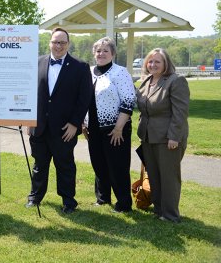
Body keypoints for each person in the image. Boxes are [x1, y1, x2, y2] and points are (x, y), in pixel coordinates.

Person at [26, 27, 92, 213]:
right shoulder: (36, 63)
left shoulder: (81, 67)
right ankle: (35, 197)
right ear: (50, 43)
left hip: (65, 128)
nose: (58, 46)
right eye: (55, 42)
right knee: (39, 164)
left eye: (62, 42)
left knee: (65, 166)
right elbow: (30, 93)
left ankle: (68, 201)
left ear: (68, 44)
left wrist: (75, 123)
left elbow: (84, 98)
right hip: (39, 126)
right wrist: (29, 120)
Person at [82, 37, 136, 213]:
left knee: (117, 166)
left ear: (112, 53)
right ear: (93, 53)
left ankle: (123, 203)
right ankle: (103, 198)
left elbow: (128, 101)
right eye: (98, 50)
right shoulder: (88, 72)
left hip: (115, 129)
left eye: (105, 50)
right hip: (93, 128)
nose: (101, 53)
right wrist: (83, 124)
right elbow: (82, 100)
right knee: (99, 164)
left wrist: (119, 128)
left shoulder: (120, 72)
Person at [136, 48, 189, 223]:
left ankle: (170, 214)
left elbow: (180, 112)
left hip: (168, 138)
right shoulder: (146, 81)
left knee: (169, 177)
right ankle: (158, 210)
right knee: (154, 175)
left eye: (157, 61)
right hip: (148, 137)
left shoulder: (176, 81)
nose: (153, 65)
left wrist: (174, 136)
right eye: (150, 61)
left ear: (166, 63)